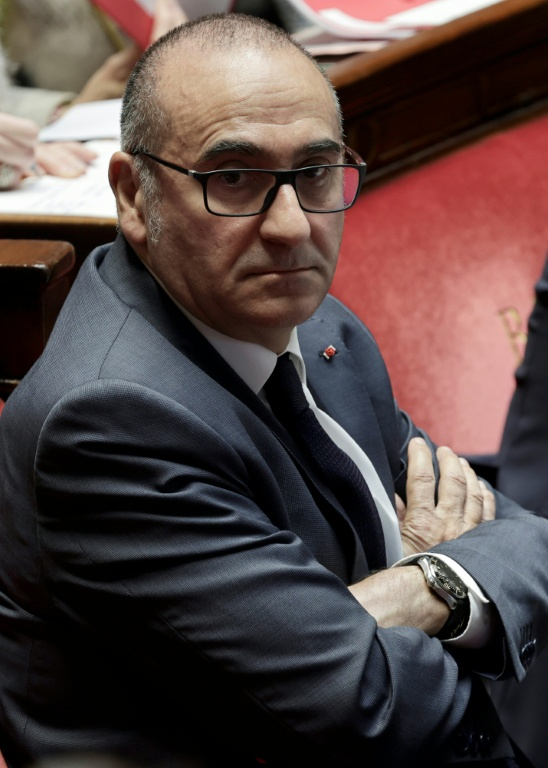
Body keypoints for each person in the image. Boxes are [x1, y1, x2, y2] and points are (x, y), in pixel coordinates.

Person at [0, 13, 547, 768]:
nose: (291, 226)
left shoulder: (318, 324)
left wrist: (421, 586)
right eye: (235, 179)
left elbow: (526, 537)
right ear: (132, 196)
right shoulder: (107, 420)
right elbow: (360, 707)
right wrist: (449, 586)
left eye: (315, 174)